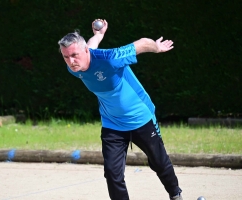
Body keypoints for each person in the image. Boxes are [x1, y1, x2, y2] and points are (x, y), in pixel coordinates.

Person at [58, 19, 183, 200]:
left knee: (158, 162)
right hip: (112, 123)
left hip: (141, 117)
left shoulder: (110, 59)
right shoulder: (74, 67)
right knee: (112, 173)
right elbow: (90, 46)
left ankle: (175, 194)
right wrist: (98, 35)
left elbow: (141, 44)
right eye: (66, 57)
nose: (71, 61)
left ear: (85, 51)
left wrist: (156, 47)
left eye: (74, 55)